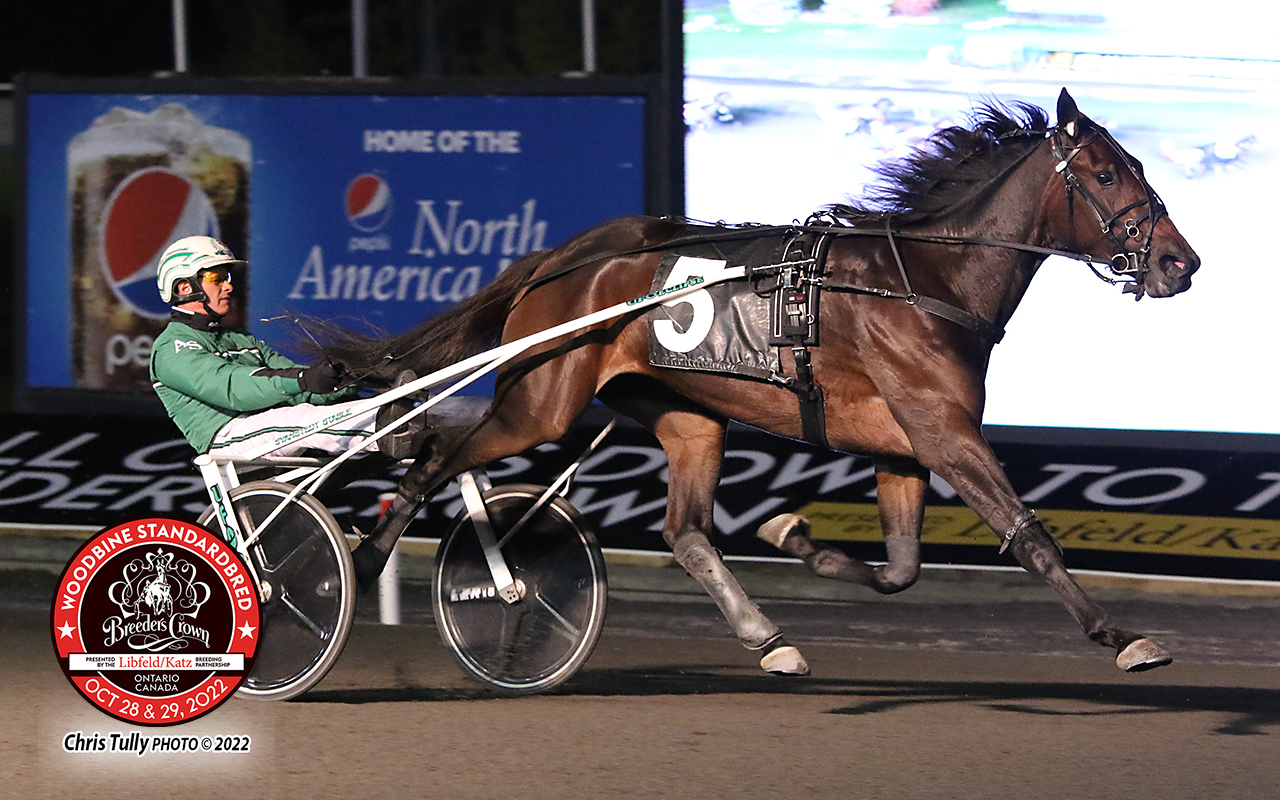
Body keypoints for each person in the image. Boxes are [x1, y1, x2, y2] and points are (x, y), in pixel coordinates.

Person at [149, 235, 426, 460]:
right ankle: (393, 430)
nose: (228, 287)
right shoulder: (171, 348)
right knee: (304, 419)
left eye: (228, 277)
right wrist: (304, 380)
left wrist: (348, 380)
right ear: (184, 287)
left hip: (269, 427)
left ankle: (444, 421)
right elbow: (232, 389)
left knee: (337, 406)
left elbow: (295, 381)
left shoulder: (241, 339)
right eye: (216, 278)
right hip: (226, 436)